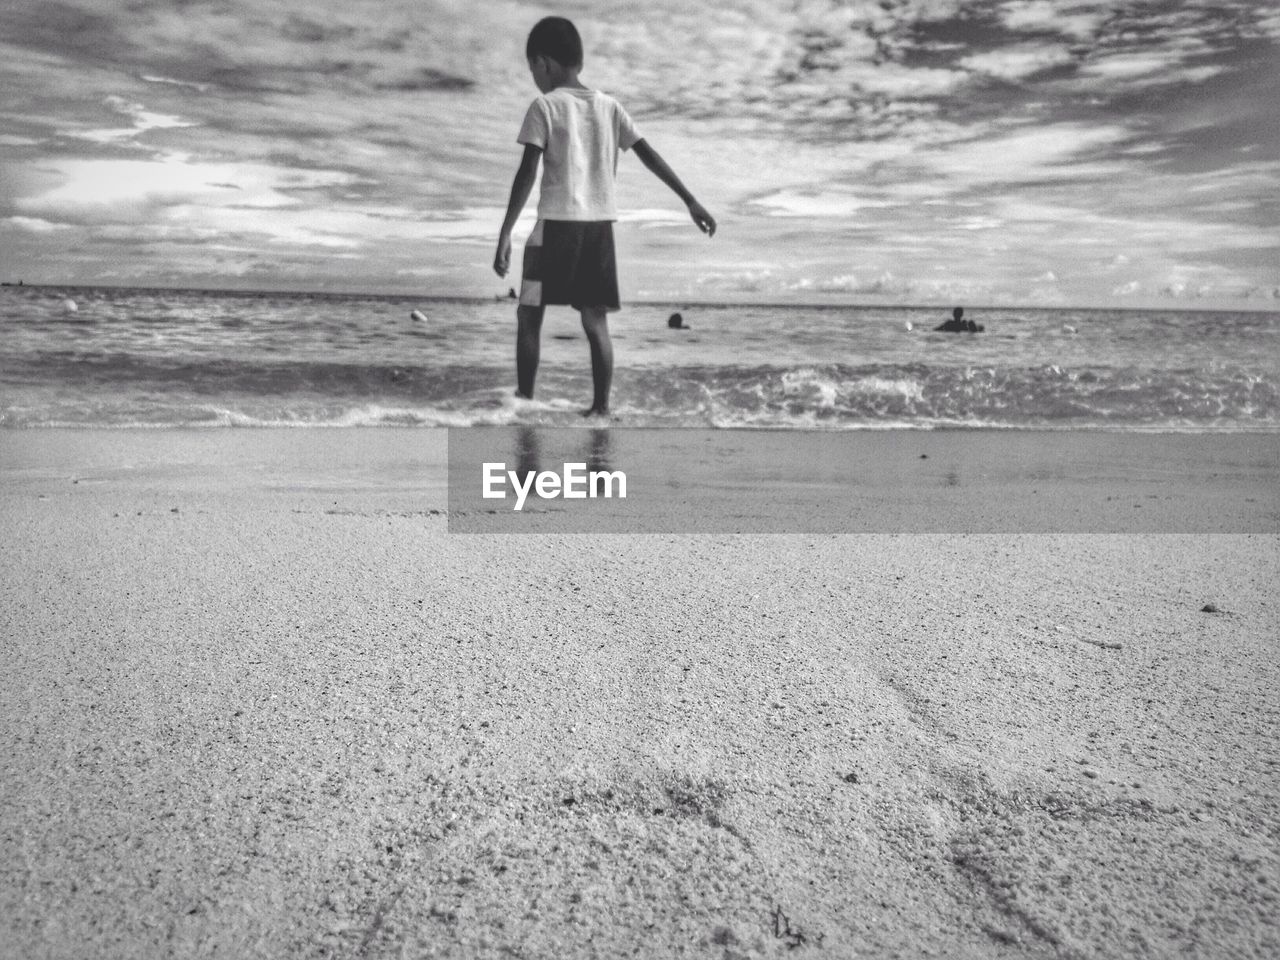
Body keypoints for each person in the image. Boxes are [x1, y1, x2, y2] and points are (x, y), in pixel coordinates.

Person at [493, 16, 715, 416]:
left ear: (544, 63)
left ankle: (524, 401)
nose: (534, 79)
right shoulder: (610, 106)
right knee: (596, 322)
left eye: (532, 70)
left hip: (555, 226)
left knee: (529, 315)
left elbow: (527, 173)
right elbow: (648, 154)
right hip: (598, 231)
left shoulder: (545, 105)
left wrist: (505, 232)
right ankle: (600, 410)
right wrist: (690, 200)